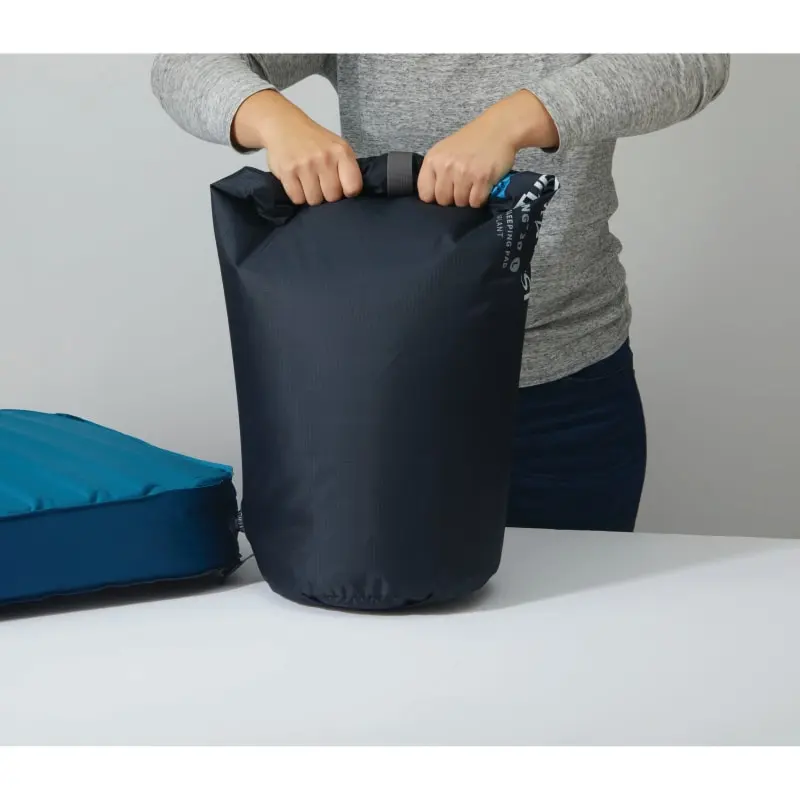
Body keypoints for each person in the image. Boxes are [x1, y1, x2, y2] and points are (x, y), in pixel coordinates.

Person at [151, 53, 730, 533]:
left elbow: (694, 57)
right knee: (377, 624)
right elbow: (184, 61)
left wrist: (515, 120)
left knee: (575, 622)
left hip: (567, 394)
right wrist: (274, 119)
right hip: (383, 396)